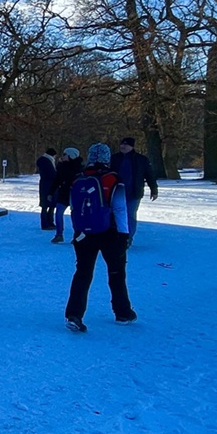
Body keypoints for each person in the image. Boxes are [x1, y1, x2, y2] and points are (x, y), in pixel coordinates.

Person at [64, 142, 136, 332]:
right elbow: (120, 209)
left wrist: (77, 231)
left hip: (84, 234)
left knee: (82, 273)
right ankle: (122, 312)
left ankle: (74, 314)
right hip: (110, 232)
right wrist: (124, 234)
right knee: (116, 273)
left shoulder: (78, 179)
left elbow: (74, 207)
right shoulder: (113, 179)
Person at [110, 136, 158, 242]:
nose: (123, 146)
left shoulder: (141, 160)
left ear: (131, 146)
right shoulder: (114, 158)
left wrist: (154, 190)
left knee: (130, 215)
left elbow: (150, 175)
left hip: (134, 193)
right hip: (116, 192)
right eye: (122, 144)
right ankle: (116, 235)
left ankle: (128, 237)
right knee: (114, 214)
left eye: (126, 144)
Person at [51, 148, 81, 244]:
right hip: (63, 193)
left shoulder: (80, 167)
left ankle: (77, 235)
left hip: (75, 194)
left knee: (75, 215)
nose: (62, 156)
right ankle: (59, 234)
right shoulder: (61, 166)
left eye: (65, 154)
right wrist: (50, 192)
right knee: (58, 213)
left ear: (71, 155)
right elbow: (56, 180)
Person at [36, 148, 58, 231]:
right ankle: (46, 223)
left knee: (48, 205)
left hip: (46, 184)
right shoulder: (47, 161)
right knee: (47, 205)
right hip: (49, 184)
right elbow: (52, 173)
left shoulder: (45, 160)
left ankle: (49, 222)